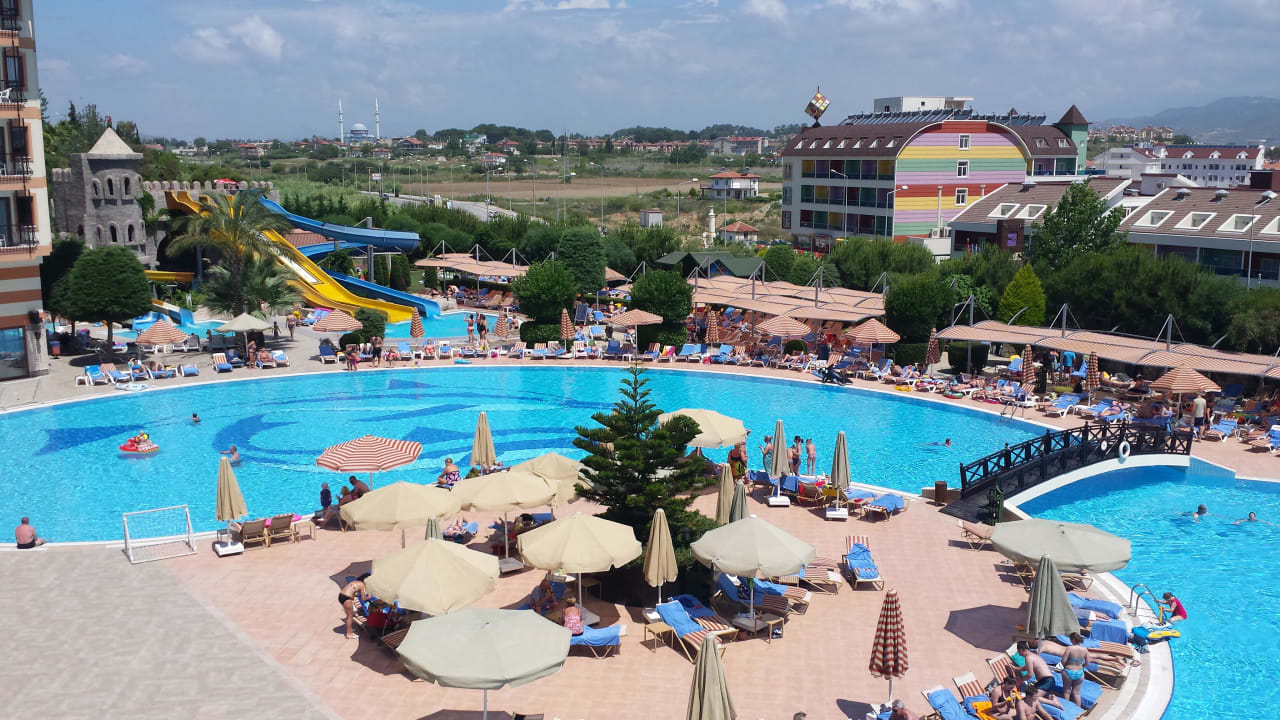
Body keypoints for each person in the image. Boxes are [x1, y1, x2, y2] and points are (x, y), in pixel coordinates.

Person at [1061, 632, 1090, 707]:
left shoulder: (1069, 648)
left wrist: (1063, 666)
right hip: (1080, 672)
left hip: (1068, 671)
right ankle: (1078, 710)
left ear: (1073, 639)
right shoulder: (1085, 649)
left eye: (1070, 639)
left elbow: (1063, 661)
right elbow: (1087, 663)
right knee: (1076, 693)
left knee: (1067, 691)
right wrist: (1082, 666)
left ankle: (1067, 709)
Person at [338, 574, 370, 639]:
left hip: (341, 596)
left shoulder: (356, 582)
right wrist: (369, 597)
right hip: (347, 599)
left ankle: (350, 629)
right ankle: (348, 634)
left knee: (349, 615)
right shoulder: (362, 585)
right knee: (350, 616)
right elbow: (363, 599)